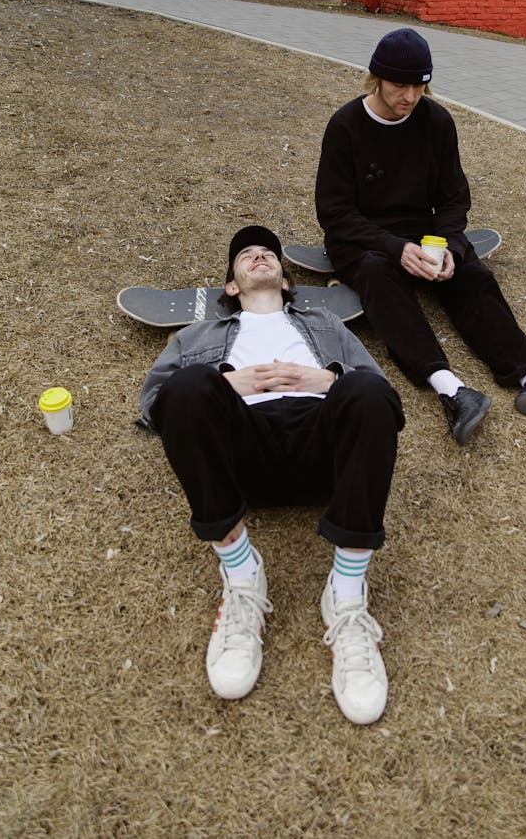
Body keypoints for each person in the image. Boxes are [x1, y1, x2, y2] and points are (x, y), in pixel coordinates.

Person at [139, 225, 404, 725]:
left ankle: (345, 596)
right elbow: (156, 404)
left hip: (323, 451)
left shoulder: (327, 324)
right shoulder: (195, 336)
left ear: (285, 280)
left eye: (269, 254)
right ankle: (241, 574)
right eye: (247, 255)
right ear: (231, 287)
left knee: (367, 394)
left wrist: (326, 379)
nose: (260, 256)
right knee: (190, 384)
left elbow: (382, 393)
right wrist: (226, 384)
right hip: (242, 453)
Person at [315, 27, 526, 446]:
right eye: (399, 84)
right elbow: (335, 214)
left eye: (419, 85)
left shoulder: (436, 121)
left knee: (472, 276)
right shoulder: (346, 125)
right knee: (377, 276)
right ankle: (452, 390)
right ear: (376, 78)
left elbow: (454, 197)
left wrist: (450, 247)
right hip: (363, 239)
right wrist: (395, 248)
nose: (410, 96)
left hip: (423, 234)